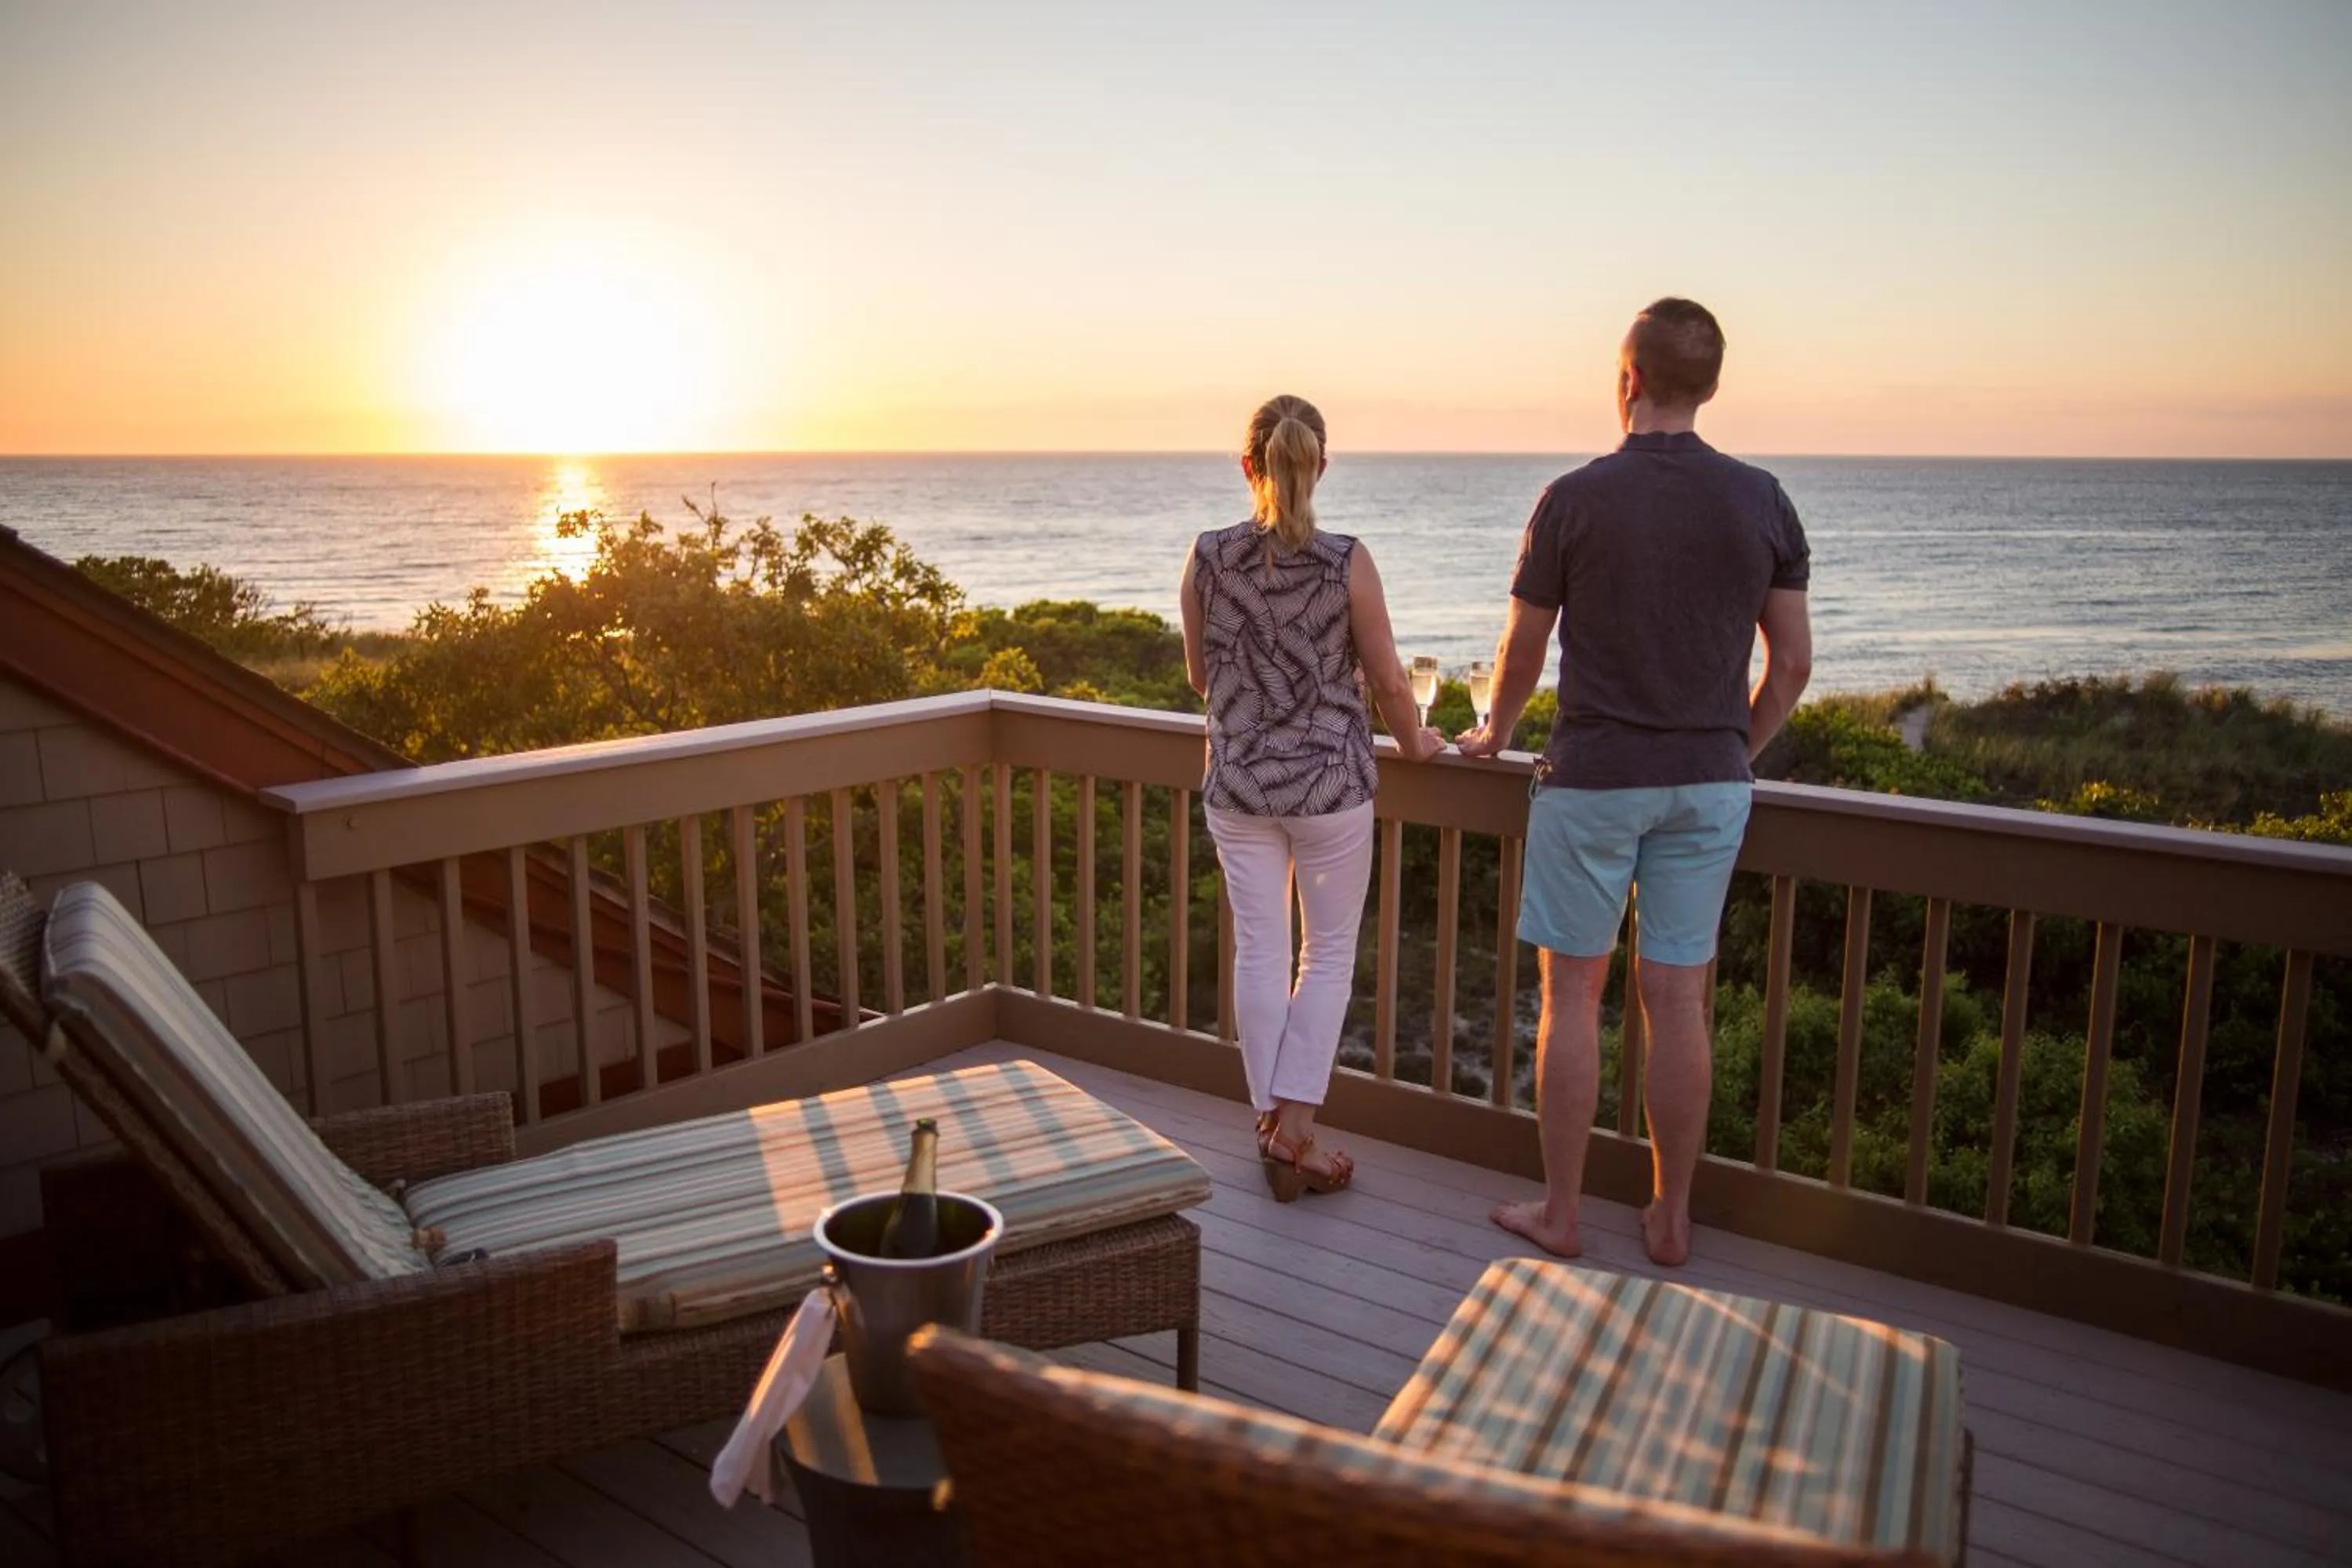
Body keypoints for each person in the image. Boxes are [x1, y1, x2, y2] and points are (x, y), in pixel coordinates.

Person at [1457, 299, 1812, 1265]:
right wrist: (1733, 747)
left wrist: (1496, 728)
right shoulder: (1763, 499)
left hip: (1596, 778)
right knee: (1679, 996)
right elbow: (1789, 666)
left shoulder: (1574, 498)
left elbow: (1522, 651)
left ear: (1628, 380)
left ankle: (1562, 1214)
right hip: (1709, 781)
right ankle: (1670, 1215)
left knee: (1573, 996)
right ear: (1709, 385)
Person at [1180, 394, 1446, 1202]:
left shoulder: (1206, 556)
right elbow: (1393, 679)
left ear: (1247, 465)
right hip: (1330, 786)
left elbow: (1200, 677)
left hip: (1239, 784)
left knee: (1260, 948)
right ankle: (1292, 1131)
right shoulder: (1345, 560)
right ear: (1320, 464)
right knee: (1324, 954)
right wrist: (1415, 741)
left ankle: (1272, 1125)